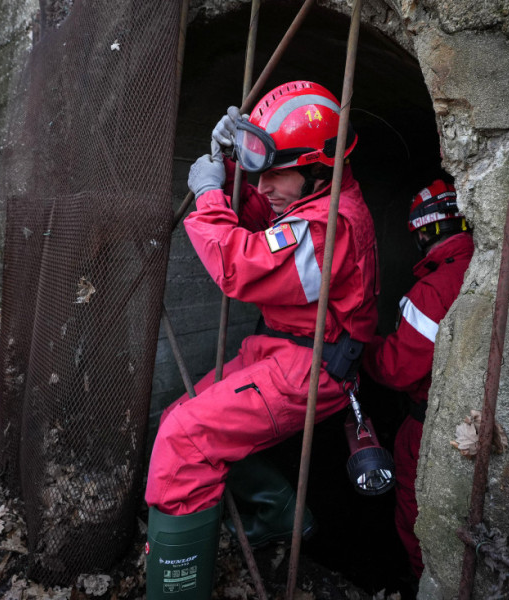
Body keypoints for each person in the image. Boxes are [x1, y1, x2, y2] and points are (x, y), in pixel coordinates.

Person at [144, 80, 379, 600]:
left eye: (275, 174)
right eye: (260, 173)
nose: (264, 186)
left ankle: (175, 588)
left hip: (312, 368)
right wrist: (230, 167)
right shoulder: (315, 198)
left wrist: (208, 194)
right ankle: (278, 511)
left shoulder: (330, 228)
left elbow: (242, 264)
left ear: (319, 168)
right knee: (180, 414)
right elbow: (263, 218)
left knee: (185, 439)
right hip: (281, 347)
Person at [360, 178, 474, 583]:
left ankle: (425, 586)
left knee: (416, 519)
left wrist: (360, 350)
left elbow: (397, 367)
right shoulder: (481, 268)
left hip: (429, 427)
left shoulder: (434, 288)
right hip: (473, 424)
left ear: (425, 231)